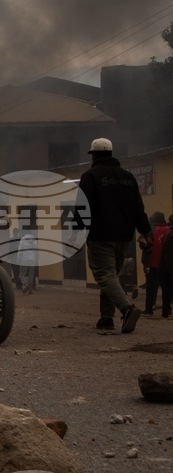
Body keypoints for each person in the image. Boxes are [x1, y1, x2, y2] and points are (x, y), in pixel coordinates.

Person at [78, 138, 152, 333]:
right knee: (112, 276)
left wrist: (75, 231)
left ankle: (127, 310)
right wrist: (146, 233)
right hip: (124, 237)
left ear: (94, 156)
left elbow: (82, 207)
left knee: (105, 275)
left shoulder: (91, 176)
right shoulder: (128, 177)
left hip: (100, 235)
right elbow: (138, 209)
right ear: (111, 154)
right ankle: (106, 318)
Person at [143, 212, 170, 316]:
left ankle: (149, 308)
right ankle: (167, 310)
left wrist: (145, 262)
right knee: (166, 288)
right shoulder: (168, 229)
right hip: (166, 264)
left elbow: (146, 247)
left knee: (150, 288)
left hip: (153, 263)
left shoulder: (152, 230)